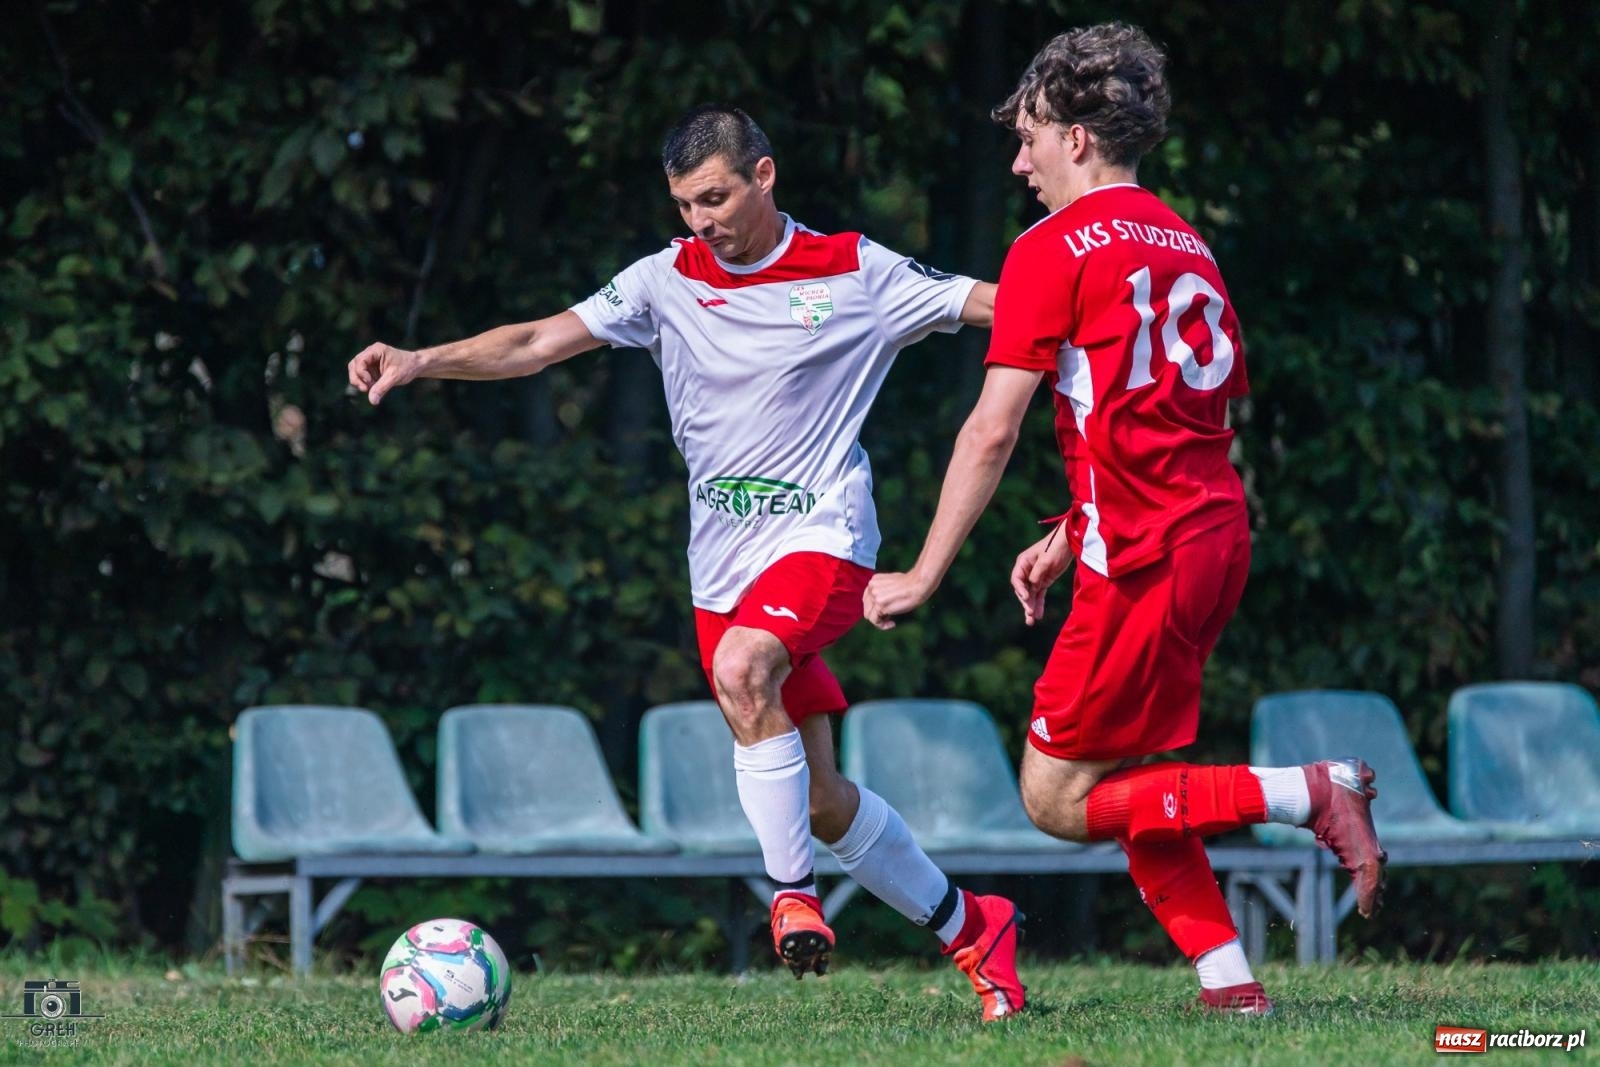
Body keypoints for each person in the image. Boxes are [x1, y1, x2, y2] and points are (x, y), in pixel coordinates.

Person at [348, 105, 1025, 1021]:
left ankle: (790, 895)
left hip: (824, 539)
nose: (700, 220)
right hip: (722, 568)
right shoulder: (665, 279)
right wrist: (422, 357)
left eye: (714, 197)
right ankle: (977, 928)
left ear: (765, 176)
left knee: (745, 668)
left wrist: (1108, 294)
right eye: (684, 204)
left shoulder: (854, 269)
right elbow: (539, 341)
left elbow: (1000, 305)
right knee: (821, 799)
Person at [863, 24, 1386, 1015]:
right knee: (1135, 774)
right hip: (1208, 534)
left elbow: (990, 429)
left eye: (1027, 138)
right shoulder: (1186, 240)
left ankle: (1307, 790)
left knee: (1054, 797)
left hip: (1143, 557)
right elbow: (1163, 416)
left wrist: (922, 572)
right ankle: (1231, 986)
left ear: (1075, 135)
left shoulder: (1048, 248)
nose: (1018, 162)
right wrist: (1068, 527)